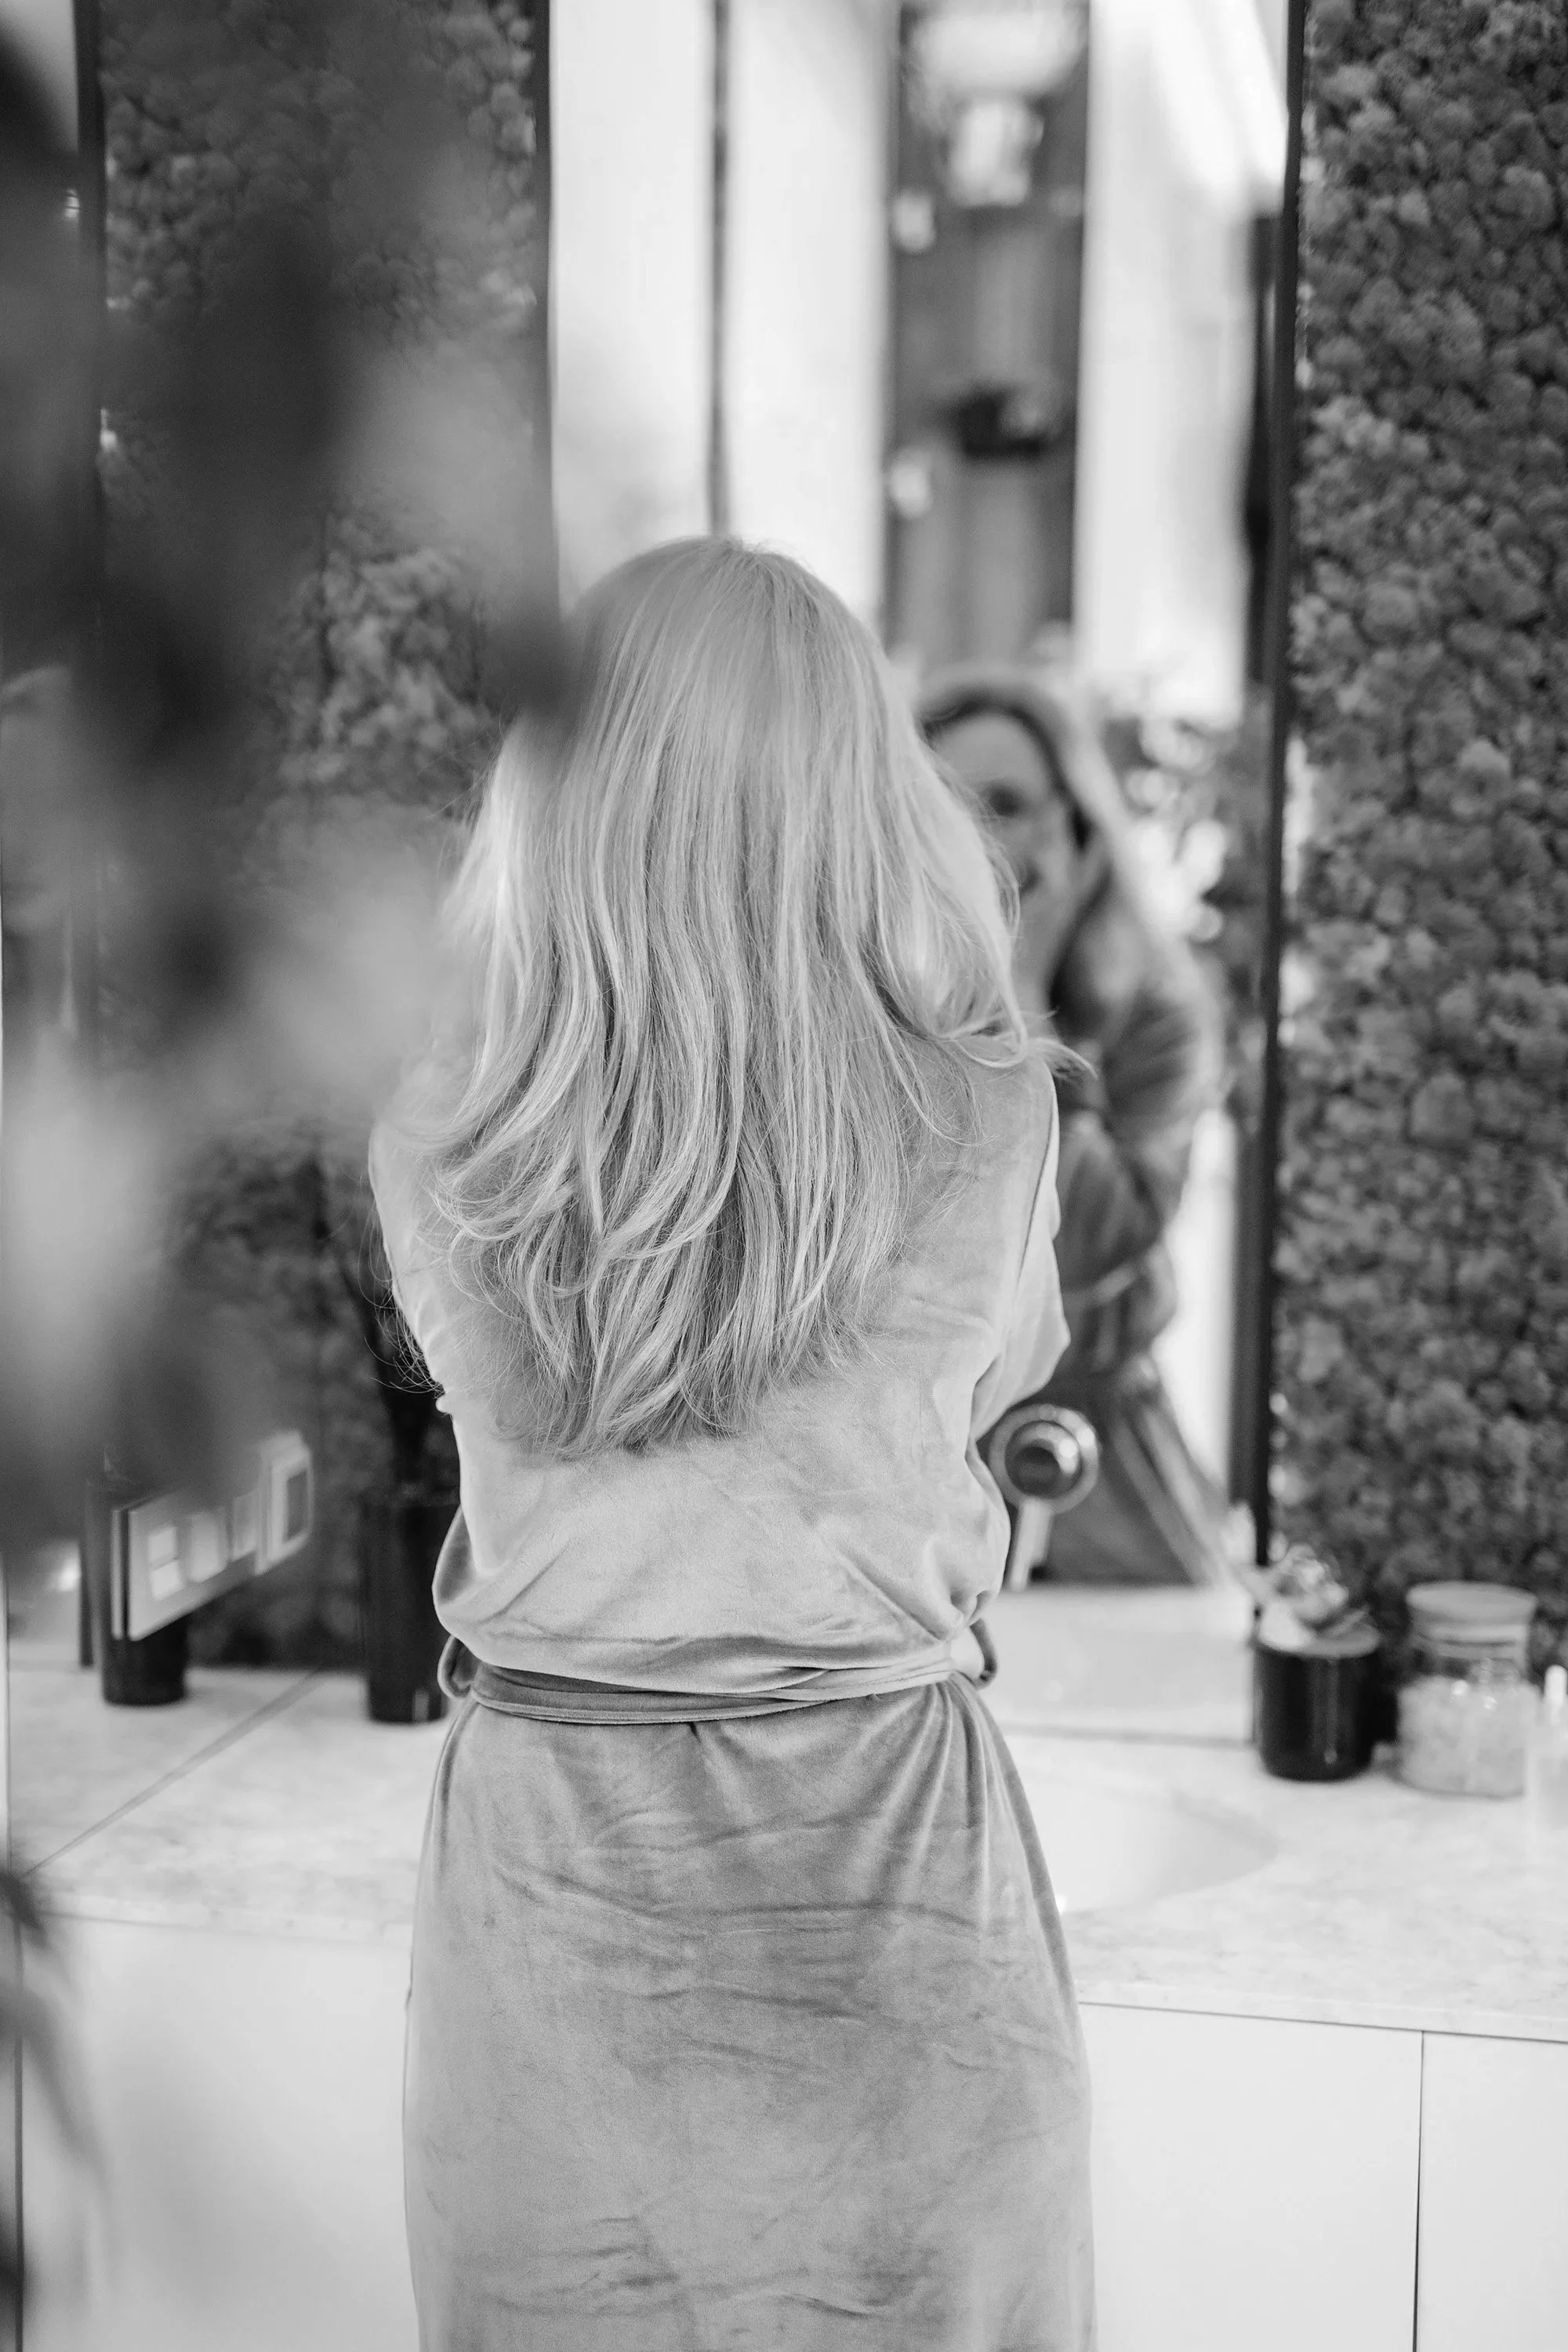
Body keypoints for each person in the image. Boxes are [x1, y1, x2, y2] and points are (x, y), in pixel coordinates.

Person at [370, 541, 1097, 2350]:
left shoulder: (440, 1138)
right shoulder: (991, 1117)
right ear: (861, 783)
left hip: (553, 1914)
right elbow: (986, 1387)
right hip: (889, 1886)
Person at [921, 661, 1230, 1588]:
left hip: (1099, 1467)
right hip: (916, 1465)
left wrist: (1019, 998)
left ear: (1078, 830)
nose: (972, 838)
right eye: (939, 805)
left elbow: (1091, 1243)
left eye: (1005, 803)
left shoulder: (1156, 1014)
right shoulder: (872, 1018)